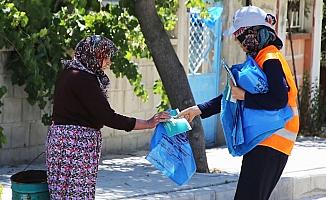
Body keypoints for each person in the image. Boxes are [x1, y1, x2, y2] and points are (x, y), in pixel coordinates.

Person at [178, 6, 299, 200]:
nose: (238, 41)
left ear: (255, 33)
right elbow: (232, 96)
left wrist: (245, 96)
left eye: (240, 35)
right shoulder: (260, 59)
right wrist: (198, 110)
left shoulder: (269, 59)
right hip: (266, 138)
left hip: (271, 138)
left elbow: (279, 98)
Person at [46, 35, 170, 199]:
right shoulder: (83, 78)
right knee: (76, 195)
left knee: (62, 193)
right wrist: (147, 123)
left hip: (61, 142)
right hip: (75, 146)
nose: (108, 63)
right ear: (92, 56)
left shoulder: (69, 73)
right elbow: (108, 117)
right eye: (105, 57)